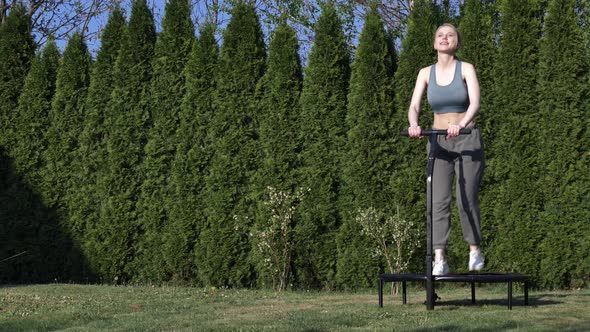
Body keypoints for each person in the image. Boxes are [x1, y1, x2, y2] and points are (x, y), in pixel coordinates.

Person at [407, 23, 485, 276]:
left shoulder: (466, 69)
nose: (444, 38)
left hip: (466, 140)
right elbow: (414, 106)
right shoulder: (425, 73)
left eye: (449, 35)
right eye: (440, 35)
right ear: (434, 43)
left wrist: (461, 124)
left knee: (466, 198)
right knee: (437, 201)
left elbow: (475, 103)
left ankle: (474, 250)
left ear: (456, 42)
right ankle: (439, 258)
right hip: (438, 141)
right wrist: (413, 124)